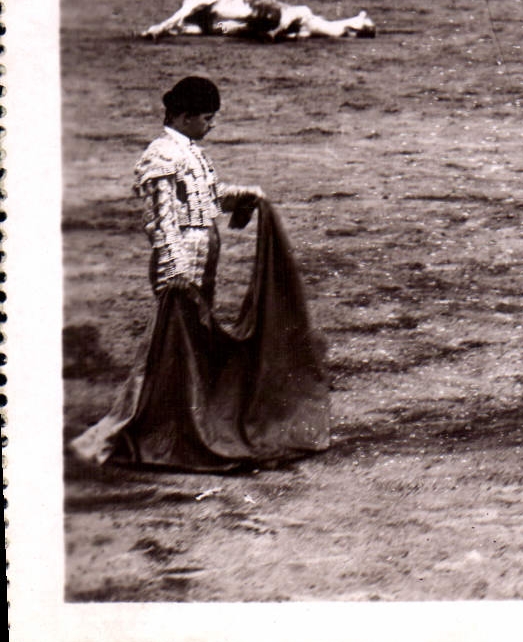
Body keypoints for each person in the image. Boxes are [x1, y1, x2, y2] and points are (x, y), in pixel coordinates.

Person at [69, 77, 331, 471]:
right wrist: (174, 267)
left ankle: (180, 421)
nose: (212, 124)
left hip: (202, 254)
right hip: (183, 259)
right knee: (168, 343)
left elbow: (208, 200)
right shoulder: (161, 155)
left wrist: (245, 195)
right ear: (185, 116)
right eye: (207, 118)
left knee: (188, 343)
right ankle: (141, 426)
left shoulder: (190, 152)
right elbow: (161, 219)